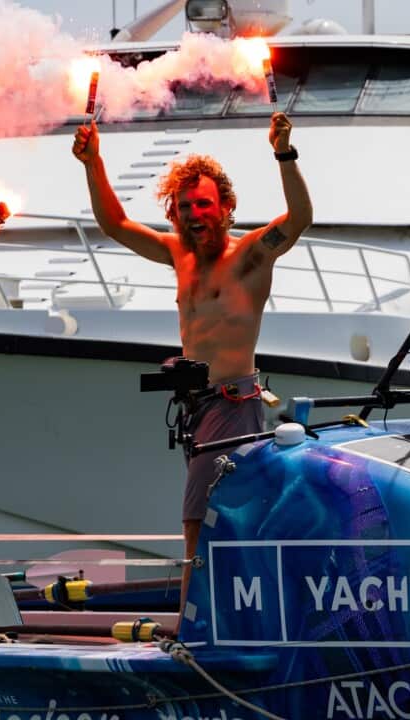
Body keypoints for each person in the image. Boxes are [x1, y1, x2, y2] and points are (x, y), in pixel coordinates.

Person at [71, 112, 312, 612]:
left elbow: (298, 219)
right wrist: (94, 163)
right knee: (221, 525)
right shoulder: (178, 254)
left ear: (225, 206)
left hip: (234, 405)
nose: (194, 214)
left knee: (195, 525)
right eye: (184, 207)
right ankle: (233, 617)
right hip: (195, 410)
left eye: (203, 204)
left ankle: (189, 630)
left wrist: (284, 154)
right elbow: (114, 224)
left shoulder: (249, 256)